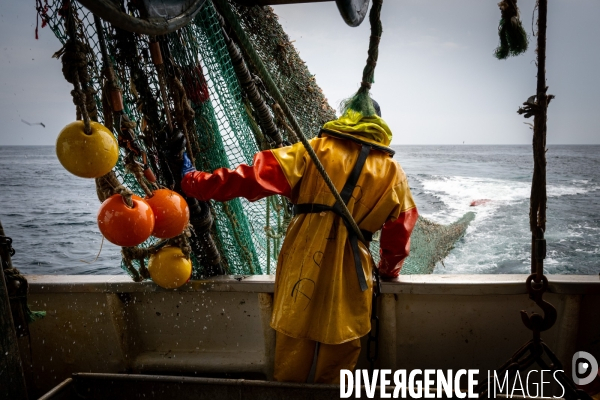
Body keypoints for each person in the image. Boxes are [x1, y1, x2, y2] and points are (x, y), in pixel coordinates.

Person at [181, 100, 418, 384]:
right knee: (338, 365)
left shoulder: (314, 151)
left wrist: (193, 180)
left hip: (301, 266)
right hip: (352, 277)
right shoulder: (394, 174)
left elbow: (247, 179)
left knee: (291, 356)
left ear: (346, 118)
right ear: (379, 125)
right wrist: (388, 271)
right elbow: (399, 236)